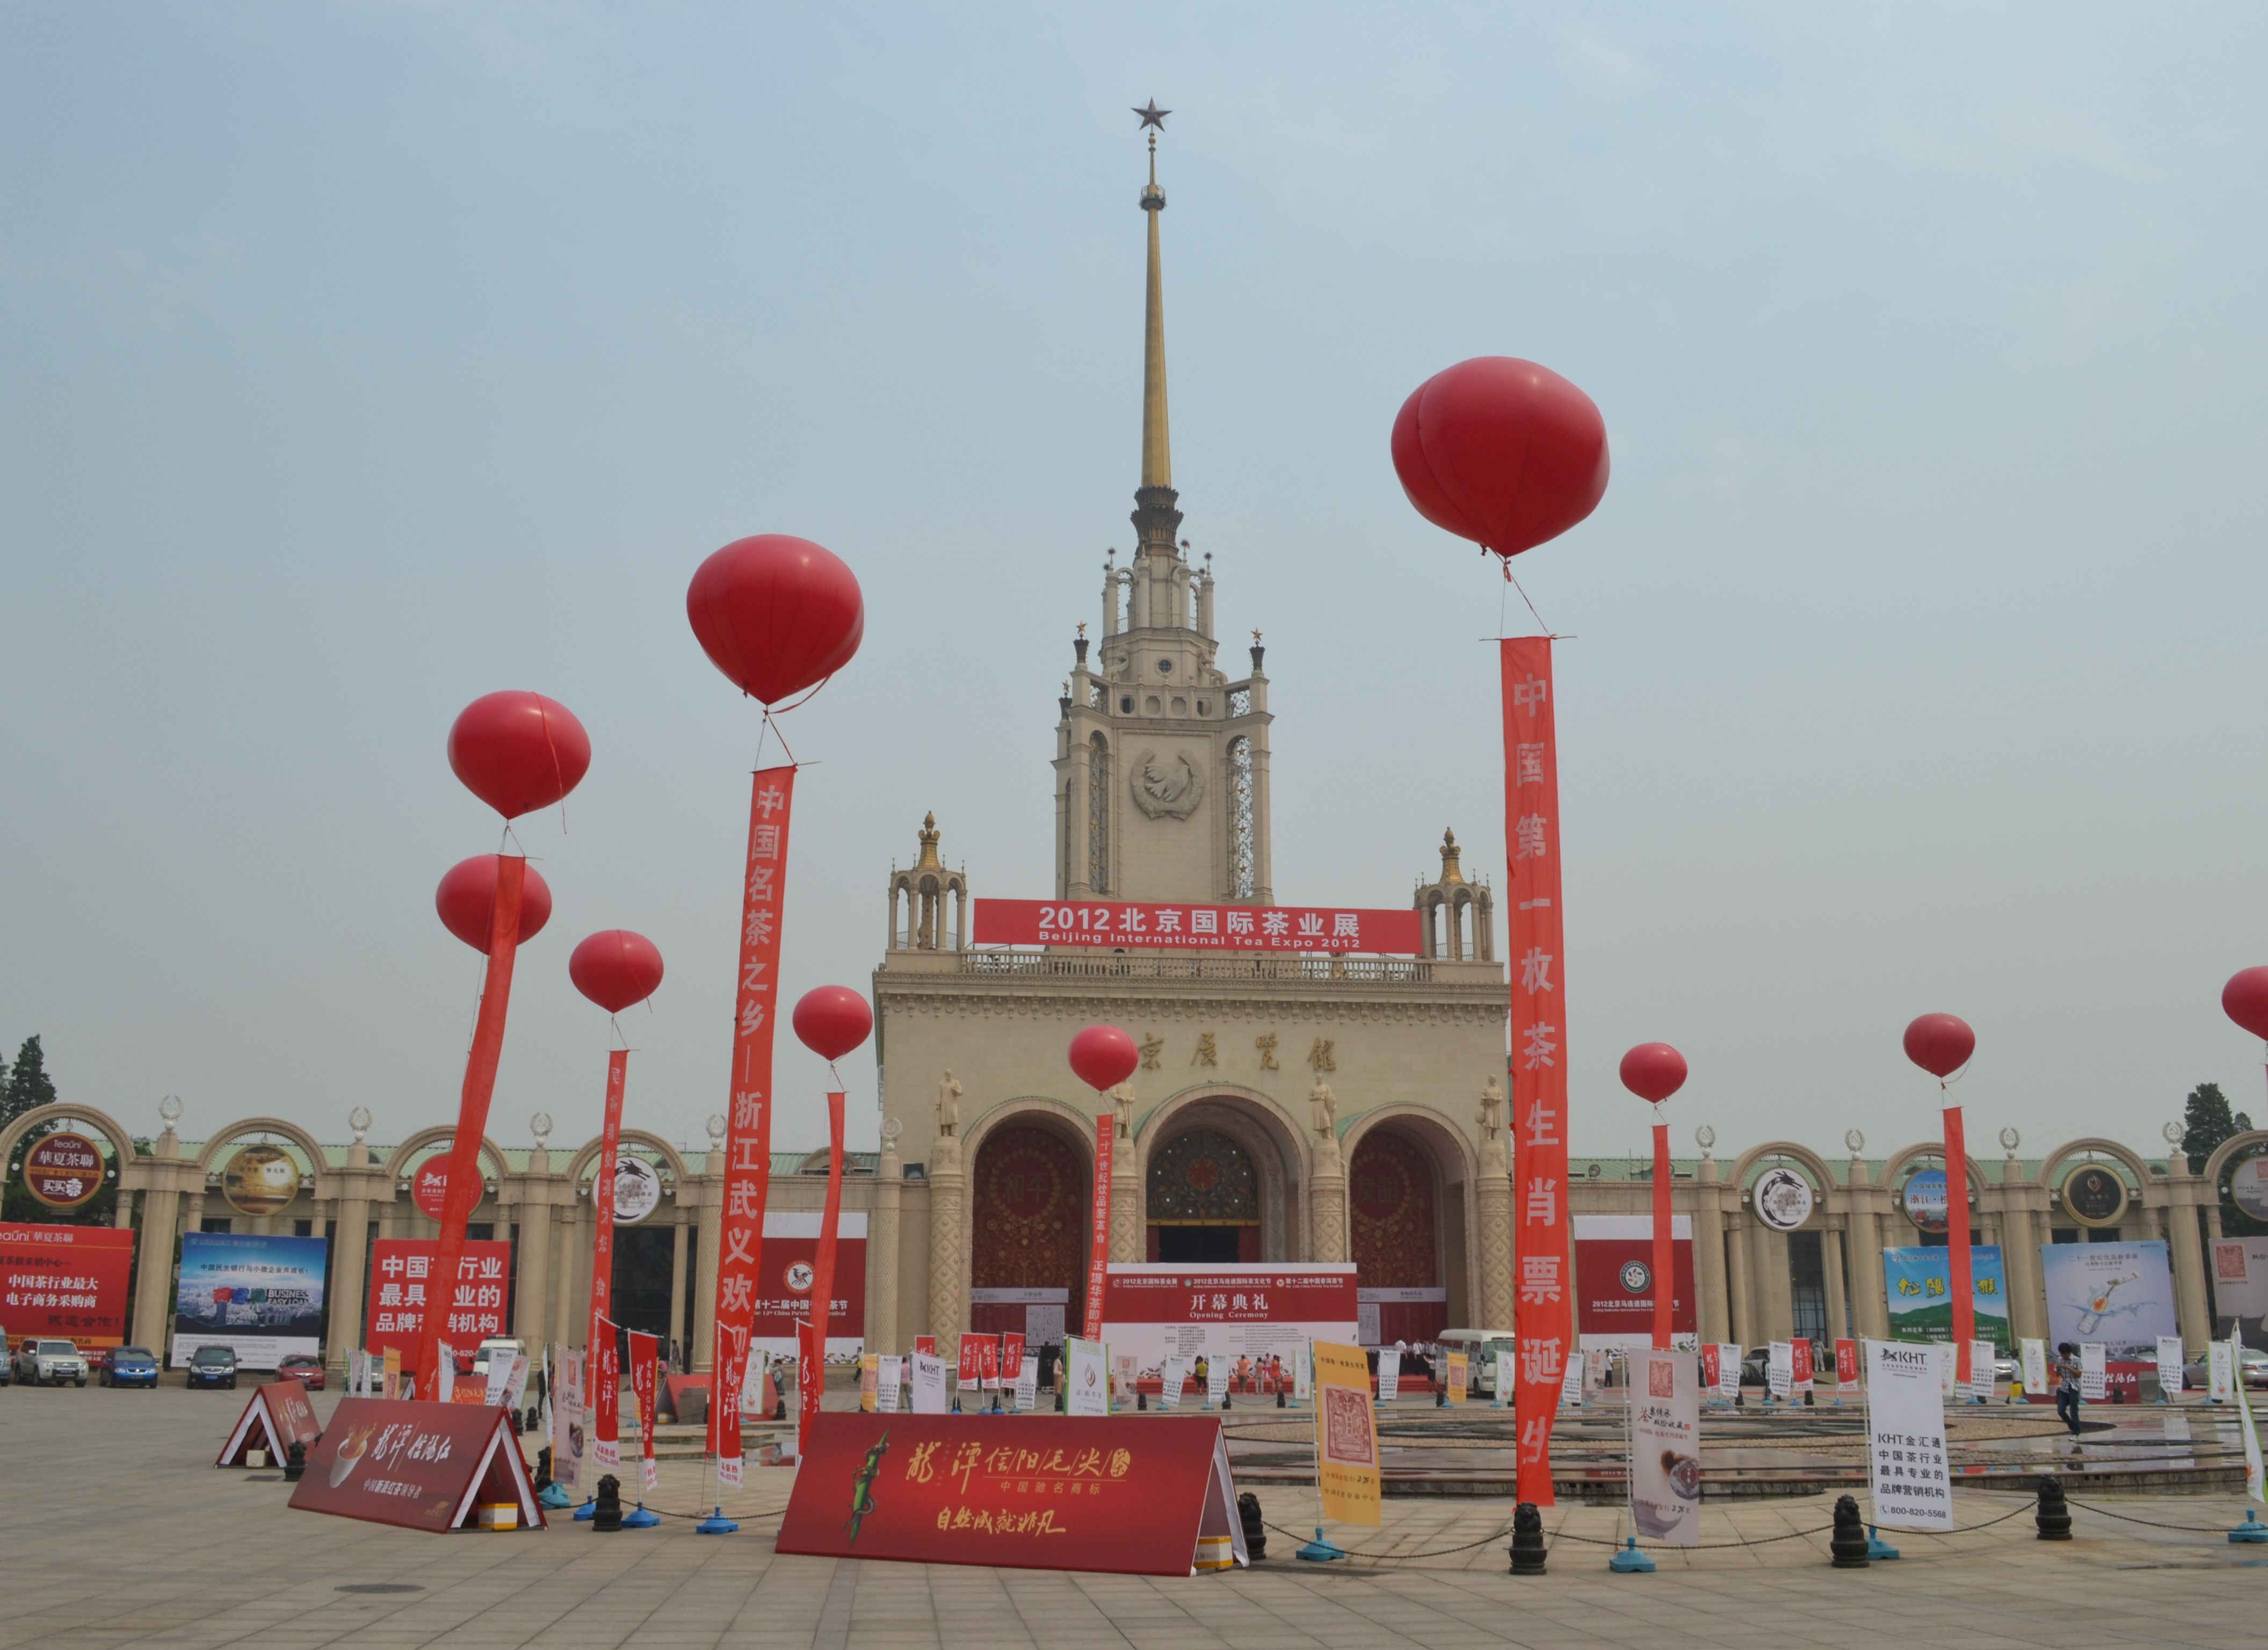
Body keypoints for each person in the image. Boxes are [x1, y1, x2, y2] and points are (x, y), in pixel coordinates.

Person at [2054, 1341, 2084, 1436]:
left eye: (2065, 1354)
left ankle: (2076, 1432)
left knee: (2073, 1410)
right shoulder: (2059, 1360)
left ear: (2069, 1353)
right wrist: (2058, 1369)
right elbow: (2057, 1375)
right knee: (2060, 1410)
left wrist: (2069, 1368)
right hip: (2064, 1387)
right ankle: (2072, 1425)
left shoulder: (2077, 1360)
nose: (2063, 1356)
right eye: (2061, 1354)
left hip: (2074, 1387)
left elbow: (2079, 1375)